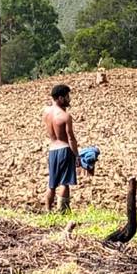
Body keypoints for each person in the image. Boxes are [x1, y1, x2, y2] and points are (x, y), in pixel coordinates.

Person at [42, 84, 80, 212]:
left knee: (52, 184)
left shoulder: (46, 112)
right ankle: (63, 211)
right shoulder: (65, 116)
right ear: (60, 98)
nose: (69, 99)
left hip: (52, 150)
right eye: (67, 96)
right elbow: (71, 138)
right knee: (65, 183)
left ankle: (48, 210)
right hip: (64, 149)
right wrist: (77, 155)